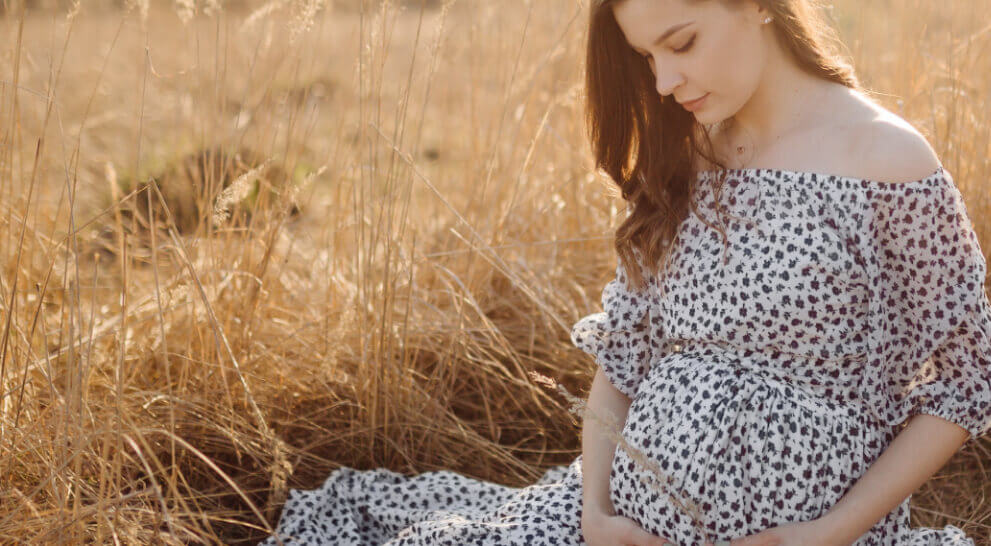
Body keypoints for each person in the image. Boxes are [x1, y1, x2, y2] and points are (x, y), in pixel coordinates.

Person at [260, 0, 991, 544]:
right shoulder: (688, 156)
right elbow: (622, 360)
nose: (666, 81)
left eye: (681, 43)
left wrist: (825, 534)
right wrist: (595, 516)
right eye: (647, 58)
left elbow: (967, 379)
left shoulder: (886, 162)